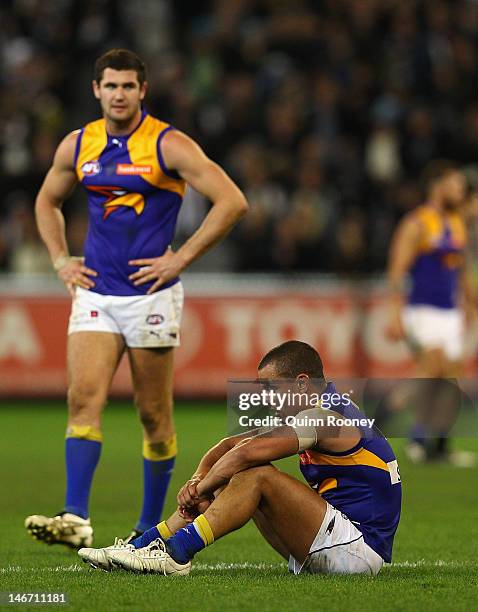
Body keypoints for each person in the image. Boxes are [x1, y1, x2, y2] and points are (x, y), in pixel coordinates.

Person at [25, 49, 248, 548]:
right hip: (96, 293)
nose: (119, 94)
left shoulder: (168, 144)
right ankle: (76, 516)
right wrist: (61, 259)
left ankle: (148, 528)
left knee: (153, 415)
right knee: (82, 399)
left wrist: (180, 259)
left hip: (153, 294)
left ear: (142, 90)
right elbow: (46, 200)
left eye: (128, 86)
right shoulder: (78, 143)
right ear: (96, 90)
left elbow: (232, 200)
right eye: (111, 86)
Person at [78, 341, 402, 576]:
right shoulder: (317, 408)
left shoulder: (325, 418)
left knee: (256, 474)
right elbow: (233, 443)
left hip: (357, 550)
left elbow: (247, 453)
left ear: (302, 384)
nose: (266, 397)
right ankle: (141, 547)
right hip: (337, 539)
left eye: (272, 387)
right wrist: (197, 481)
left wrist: (202, 488)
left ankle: (174, 554)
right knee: (243, 467)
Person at [386, 160, 476, 464]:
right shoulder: (417, 223)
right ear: (438, 185)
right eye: (456, 185)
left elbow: (460, 268)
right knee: (432, 369)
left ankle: (438, 447)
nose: (461, 191)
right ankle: (401, 428)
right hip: (422, 309)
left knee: (450, 379)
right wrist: (395, 313)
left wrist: (471, 301)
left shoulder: (456, 222)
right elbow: (397, 270)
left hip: (450, 312)